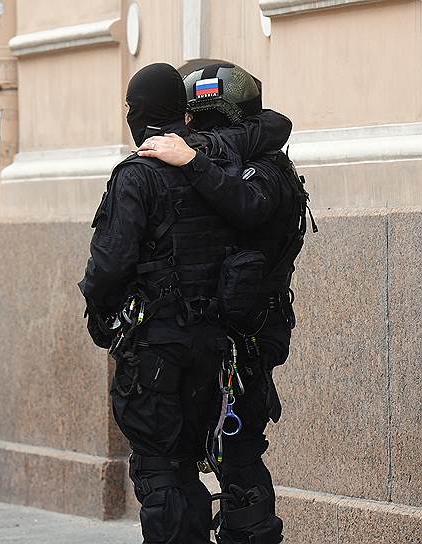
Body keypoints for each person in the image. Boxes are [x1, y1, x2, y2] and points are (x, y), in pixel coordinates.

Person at [78, 63, 289, 543]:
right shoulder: (221, 161)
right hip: (217, 345)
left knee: (164, 468)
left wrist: (100, 315)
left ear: (138, 112)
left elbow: (109, 264)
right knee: (229, 454)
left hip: (161, 349)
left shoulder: (144, 172)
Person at [136, 62, 314, 544]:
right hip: (212, 334)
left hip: (250, 334)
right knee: (187, 452)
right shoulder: (231, 156)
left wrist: (193, 161)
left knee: (237, 454)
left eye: (203, 121)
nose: (193, 130)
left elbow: (248, 206)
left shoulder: (265, 170)